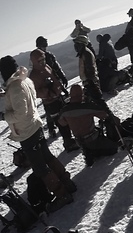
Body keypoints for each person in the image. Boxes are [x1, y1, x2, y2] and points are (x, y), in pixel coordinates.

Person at [1, 55, 75, 212]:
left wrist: (3, 116)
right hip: (35, 125)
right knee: (47, 156)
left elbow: (20, 113)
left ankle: (62, 194)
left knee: (40, 167)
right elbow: (27, 100)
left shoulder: (14, 87)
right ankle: (68, 183)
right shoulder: (24, 80)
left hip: (27, 132)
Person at [57, 84, 121, 167]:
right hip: (93, 139)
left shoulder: (64, 111)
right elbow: (104, 114)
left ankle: (89, 150)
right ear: (81, 95)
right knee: (114, 148)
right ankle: (94, 152)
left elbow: (62, 123)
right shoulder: (86, 107)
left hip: (79, 140)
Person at [28, 49, 78, 151]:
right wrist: (47, 90)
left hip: (58, 97)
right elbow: (35, 92)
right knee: (60, 122)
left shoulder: (46, 67)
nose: (43, 61)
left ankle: (71, 139)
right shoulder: (33, 75)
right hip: (50, 102)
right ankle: (68, 143)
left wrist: (61, 87)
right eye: (40, 60)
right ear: (34, 61)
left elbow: (54, 78)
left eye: (43, 59)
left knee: (67, 118)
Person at [73, 35, 103, 102]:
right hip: (88, 81)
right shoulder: (83, 53)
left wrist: (90, 82)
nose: (75, 46)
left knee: (97, 101)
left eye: (77, 44)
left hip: (91, 82)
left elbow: (90, 68)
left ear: (81, 44)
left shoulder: (86, 53)